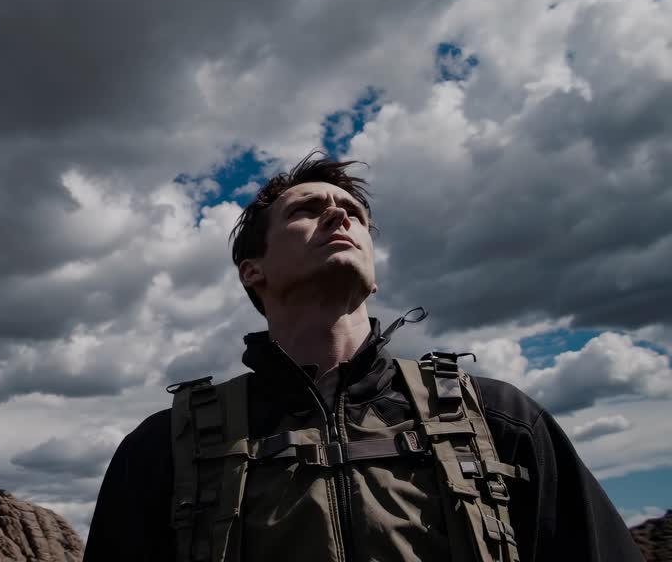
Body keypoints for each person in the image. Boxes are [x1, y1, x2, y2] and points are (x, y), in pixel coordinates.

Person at [82, 151, 642, 561]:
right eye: (308, 210)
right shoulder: (165, 447)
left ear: (373, 276)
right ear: (253, 271)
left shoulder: (497, 419)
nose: (339, 216)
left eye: (352, 211)